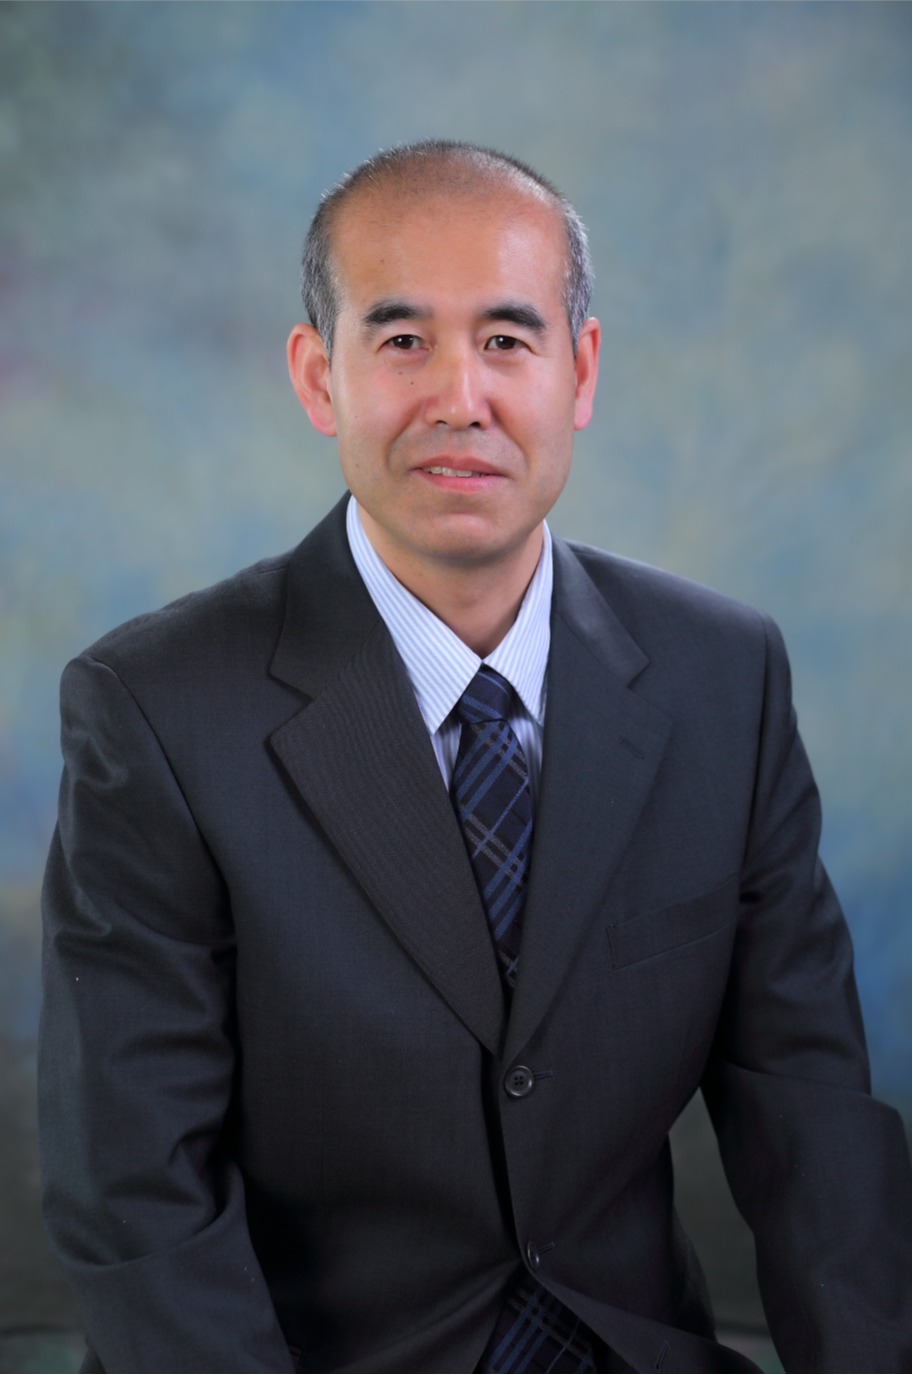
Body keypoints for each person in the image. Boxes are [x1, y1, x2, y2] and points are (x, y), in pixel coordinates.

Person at [39, 141, 908, 1375]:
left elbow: (809, 1114)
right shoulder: (157, 709)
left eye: (506, 339)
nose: (460, 397)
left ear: (580, 370)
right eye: (402, 340)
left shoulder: (724, 678)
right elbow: (136, 1190)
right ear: (319, 377)